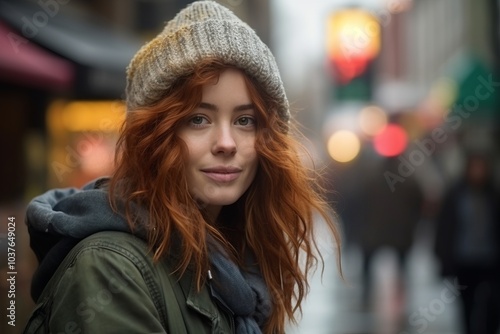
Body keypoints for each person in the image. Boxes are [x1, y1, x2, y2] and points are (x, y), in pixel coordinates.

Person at [22, 1, 341, 333]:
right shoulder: (110, 269)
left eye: (245, 120)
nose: (226, 143)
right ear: (153, 137)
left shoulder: (239, 264)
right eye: (198, 119)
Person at [434, 152, 500, 334]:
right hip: (464, 261)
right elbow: (444, 229)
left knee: (492, 305)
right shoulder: (456, 195)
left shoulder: (493, 196)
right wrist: (443, 259)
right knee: (466, 304)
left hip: (490, 261)